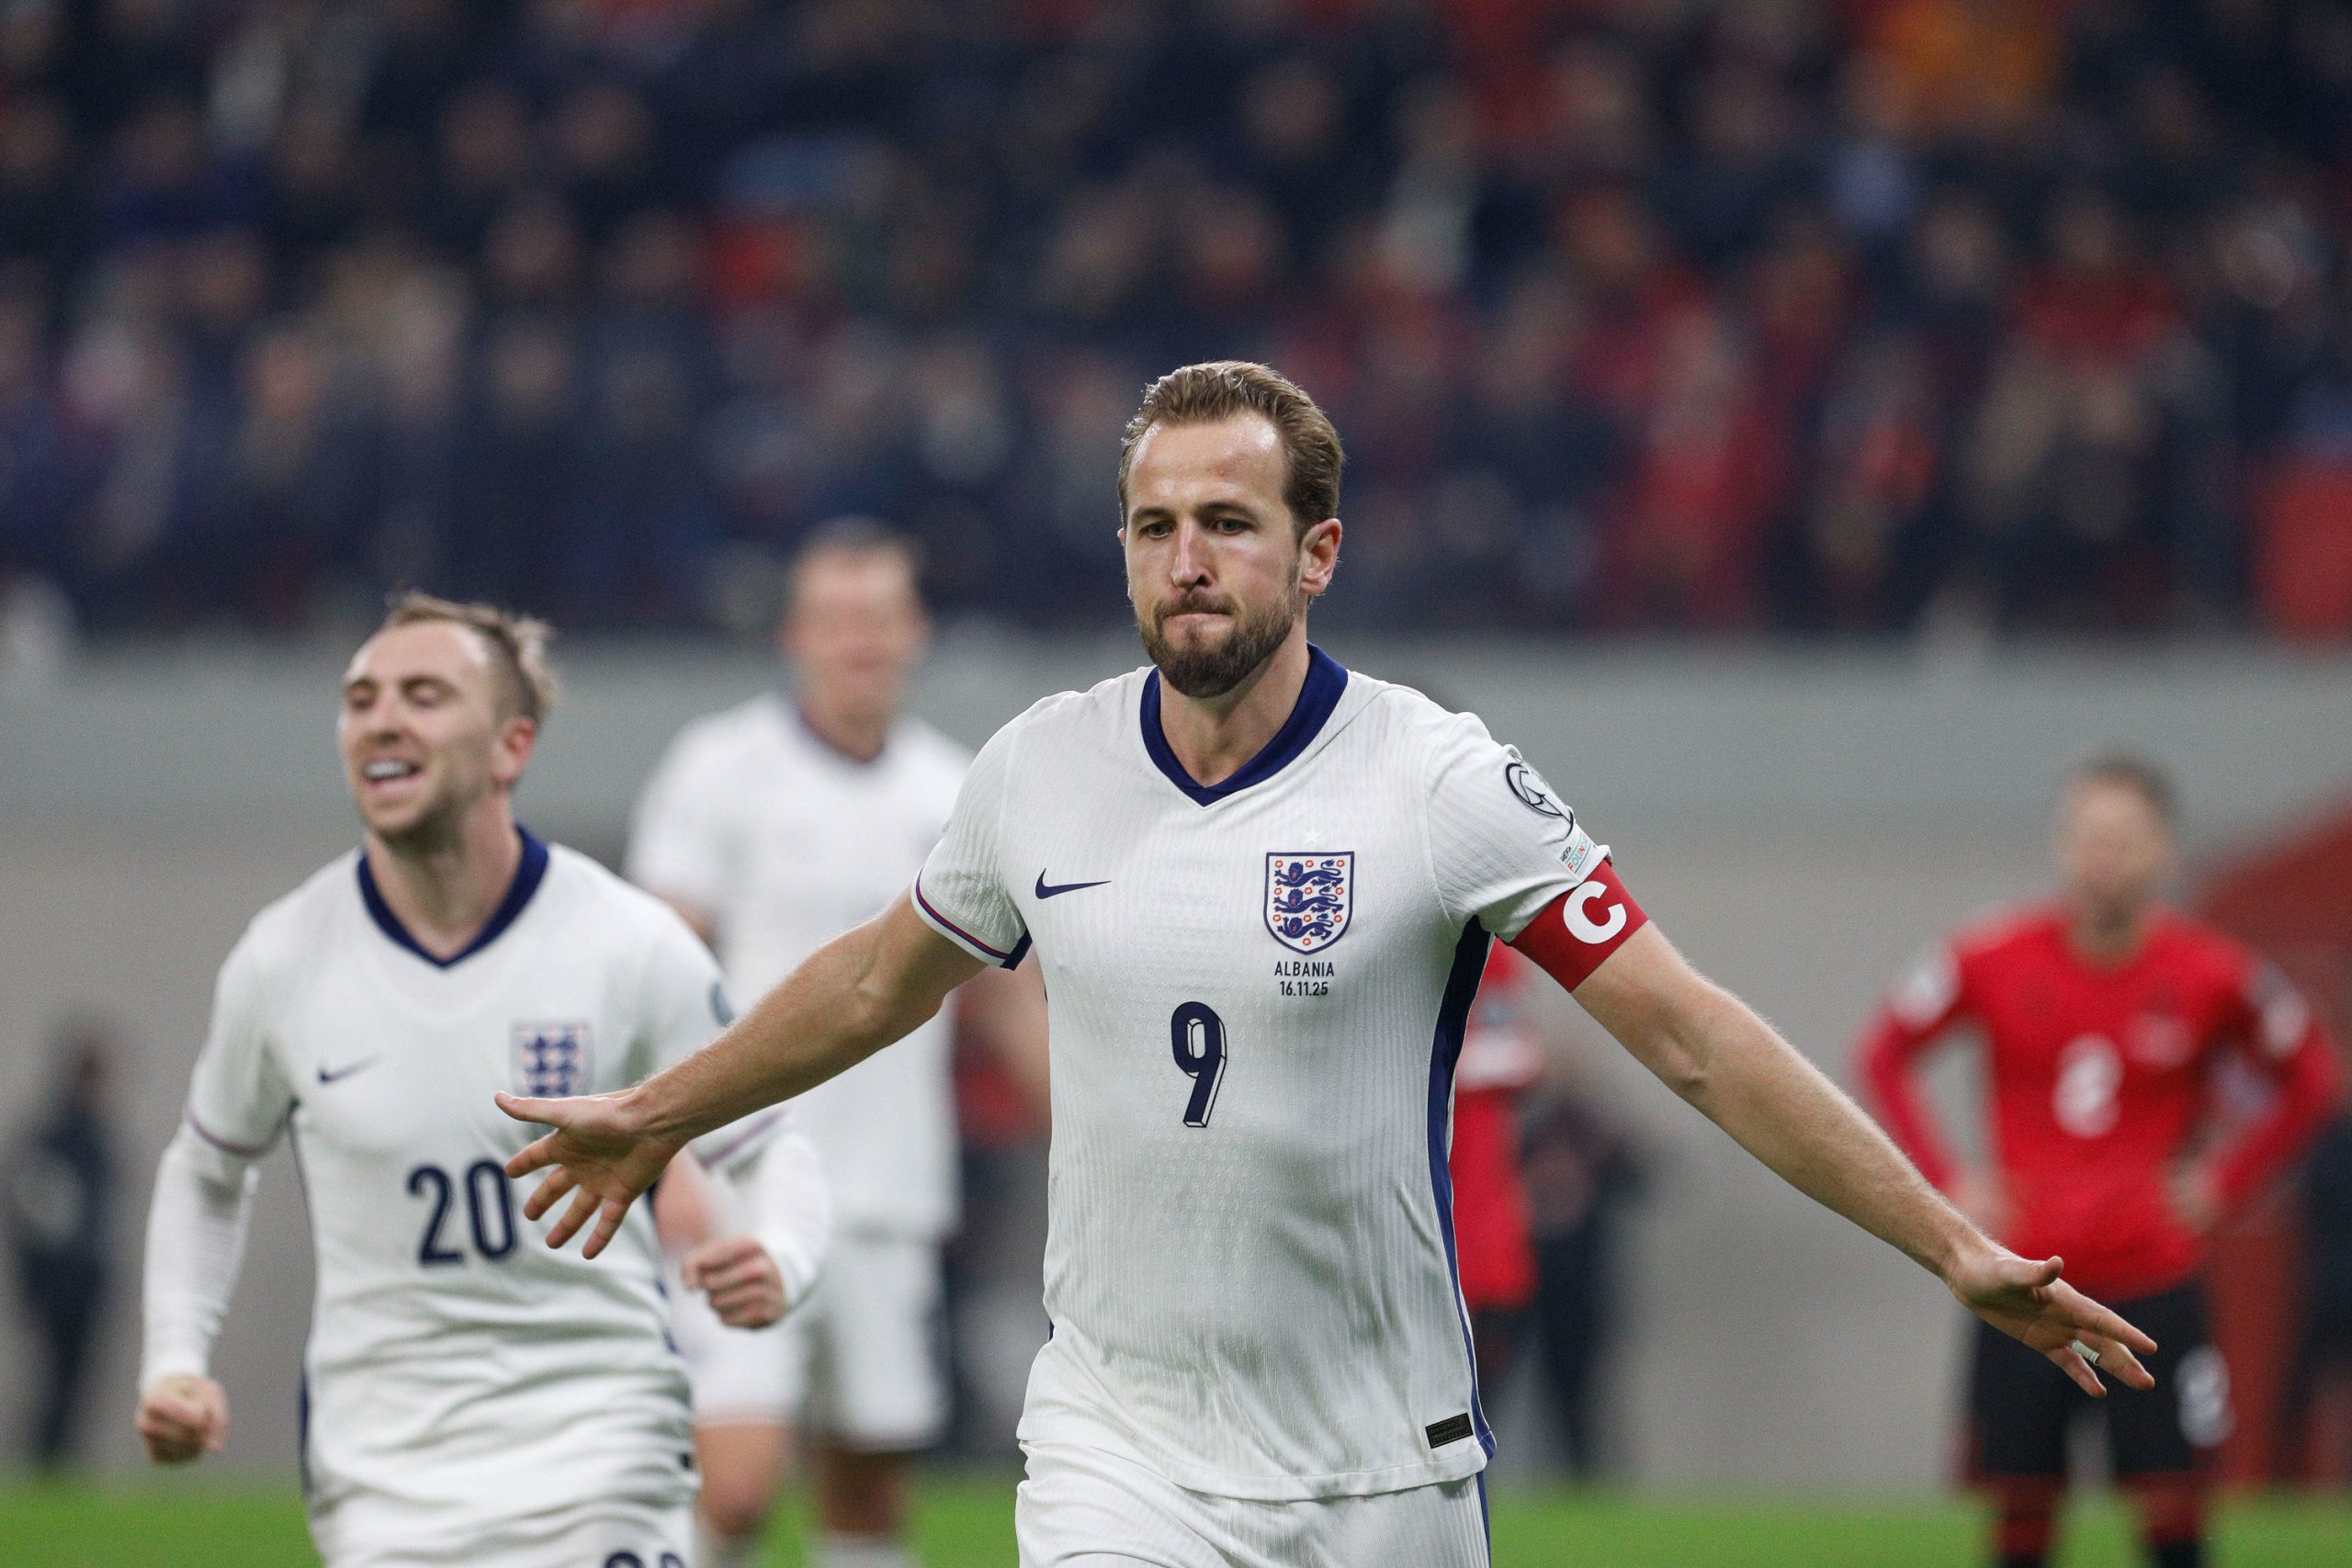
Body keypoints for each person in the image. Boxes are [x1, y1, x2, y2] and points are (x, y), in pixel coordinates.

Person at [501, 361, 2159, 1568]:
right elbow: (874, 984)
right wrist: (657, 1111)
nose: (1187, 557)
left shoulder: (1440, 783)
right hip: (1117, 1441)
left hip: (1382, 1463)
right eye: (1155, 525)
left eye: (1229, 520)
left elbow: (1694, 1038)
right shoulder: (1032, 769)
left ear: (1320, 553)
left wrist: (1949, 1245)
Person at [136, 592, 832, 1568]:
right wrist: (174, 1359)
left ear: (511, 747)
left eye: (425, 695)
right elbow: (207, 1170)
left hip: (602, 1452)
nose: (383, 718)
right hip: (384, 1481)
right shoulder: (282, 959)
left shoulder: (628, 944)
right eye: (361, 697)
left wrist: (780, 1254)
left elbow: (769, 1146)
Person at [628, 520, 1047, 1568]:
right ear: (795, 635)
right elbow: (651, 977)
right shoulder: (720, 768)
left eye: (878, 618)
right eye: (835, 619)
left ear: (914, 632)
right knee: (735, 1486)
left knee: (866, 1486)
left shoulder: (957, 793)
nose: (858, 640)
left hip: (891, 1192)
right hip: (741, 1178)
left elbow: (1007, 1002)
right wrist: (663, 1150)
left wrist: (1108, 1137)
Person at [1859, 754, 2344, 1568]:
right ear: (2062, 845)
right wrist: (1950, 1181)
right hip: (2023, 1282)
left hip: (2154, 1279)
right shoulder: (1992, 954)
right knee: (2020, 1515)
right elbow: (1884, 1052)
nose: (2101, 856)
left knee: (2174, 1517)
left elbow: (2313, 1074)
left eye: (2122, 839)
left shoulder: (2212, 972)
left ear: (2164, 852)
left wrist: (2224, 1180)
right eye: (2086, 836)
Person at [5, 1018, 121, 1468]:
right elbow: (31, 1210)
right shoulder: (56, 1135)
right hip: (59, 1283)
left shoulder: (96, 1136)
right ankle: (43, 1461)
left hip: (88, 1279)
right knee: (56, 1381)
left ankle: (57, 1462)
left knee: (76, 1382)